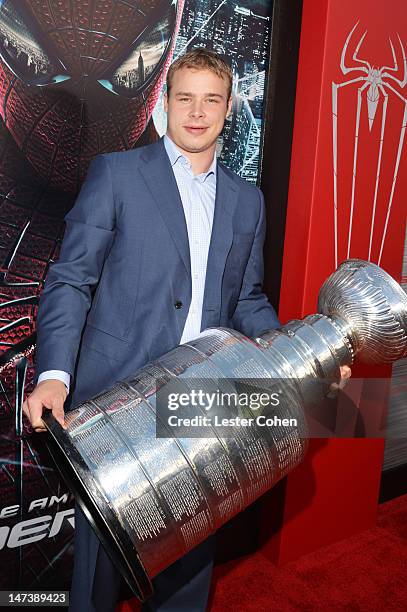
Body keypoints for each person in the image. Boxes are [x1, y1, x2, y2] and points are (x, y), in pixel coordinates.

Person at [23, 49, 350, 611]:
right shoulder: (117, 174)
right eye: (185, 98)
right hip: (114, 398)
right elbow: (70, 280)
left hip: (204, 400)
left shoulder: (248, 201)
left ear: (228, 110)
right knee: (99, 574)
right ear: (164, 106)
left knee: (190, 556)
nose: (197, 112)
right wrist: (55, 373)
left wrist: (294, 364)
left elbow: (247, 300)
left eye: (211, 100)